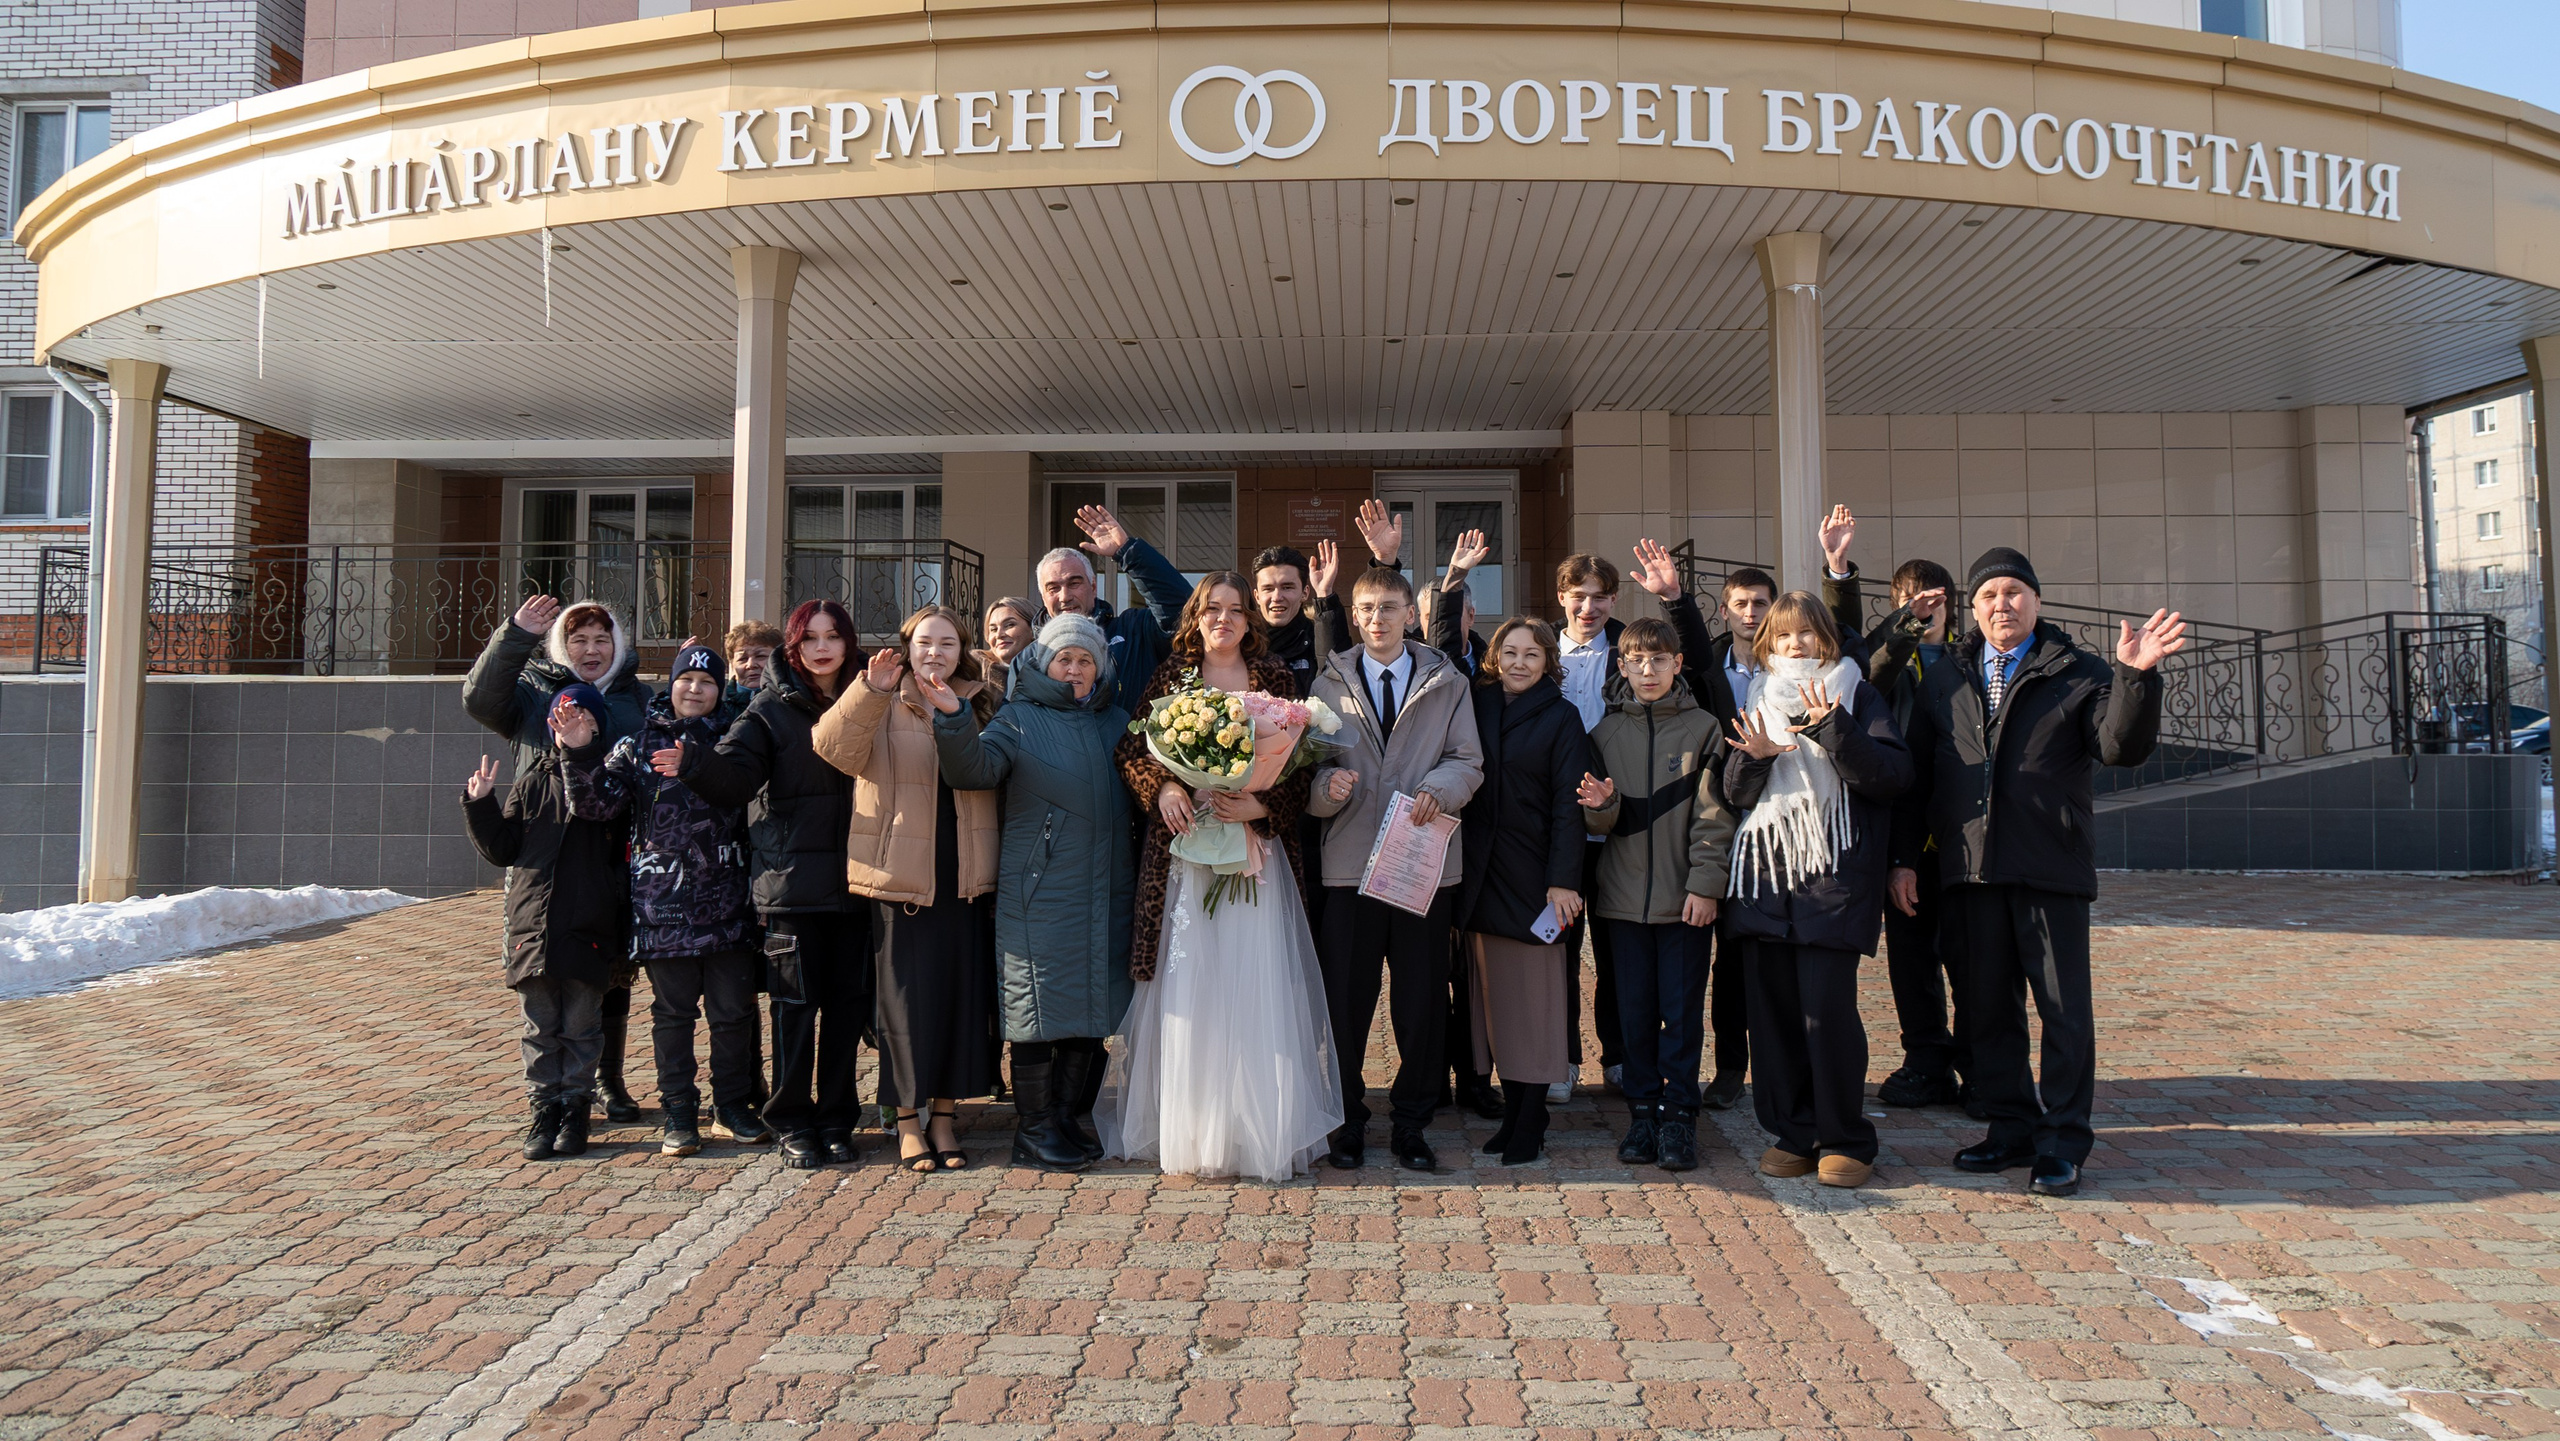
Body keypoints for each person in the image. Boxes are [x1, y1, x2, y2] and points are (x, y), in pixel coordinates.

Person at [1896, 548, 2185, 1199]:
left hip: (2049, 869)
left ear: (2036, 601)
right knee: (1987, 1011)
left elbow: (2120, 747)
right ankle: (2011, 1128)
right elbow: (1919, 777)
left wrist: (2135, 678)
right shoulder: (1946, 677)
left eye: (2014, 591)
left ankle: (2061, 1142)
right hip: (1971, 872)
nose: (2002, 604)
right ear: (1972, 608)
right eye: (1988, 595)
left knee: (2063, 1015)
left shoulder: (2079, 671)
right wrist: (1903, 858)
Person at [1466, 542, 1717, 1107]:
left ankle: (1620, 1056)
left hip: (1618, 828)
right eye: (1578, 596)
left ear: (1614, 601)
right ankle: (1562, 1059)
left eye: (1600, 598)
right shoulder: (1535, 649)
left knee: (1615, 954)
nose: (1589, 607)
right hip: (1553, 831)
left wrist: (1675, 600)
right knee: (1556, 947)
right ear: (1561, 597)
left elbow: (1696, 663)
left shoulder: (1631, 649)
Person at [1103, 575, 1333, 1180]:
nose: (1223, 619)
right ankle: (1196, 1128)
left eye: (1235, 609)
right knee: (1195, 983)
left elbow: (1301, 766)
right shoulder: (1172, 675)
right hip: (1187, 858)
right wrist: (1165, 788)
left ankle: (1258, 1129)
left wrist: (1262, 805)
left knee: (1254, 978)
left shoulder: (1275, 678)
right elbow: (1133, 750)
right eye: (1212, 609)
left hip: (1256, 856)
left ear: (1250, 618)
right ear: (1196, 616)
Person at [1720, 594, 1912, 1189]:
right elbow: (1735, 794)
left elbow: (1892, 776)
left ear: (1827, 638)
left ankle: (1845, 1138)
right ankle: (1793, 1133)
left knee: (1826, 1015)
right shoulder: (1757, 695)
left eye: (1807, 633)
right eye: (1783, 635)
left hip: (1833, 873)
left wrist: (1834, 728)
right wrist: (1754, 760)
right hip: (1764, 876)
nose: (1795, 644)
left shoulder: (1857, 692)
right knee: (1774, 1017)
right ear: (1768, 644)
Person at [665, 599, 864, 1169]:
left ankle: (837, 1119)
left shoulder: (870, 697)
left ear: (848, 643)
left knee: (847, 1011)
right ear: (794, 647)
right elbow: (733, 779)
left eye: (832, 636)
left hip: (860, 885)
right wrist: (695, 763)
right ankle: (792, 1120)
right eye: (810, 638)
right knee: (794, 1010)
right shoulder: (768, 710)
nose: (822, 648)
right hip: (791, 890)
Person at [932, 613, 1133, 1171]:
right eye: (1064, 658)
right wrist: (953, 719)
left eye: (1086, 660)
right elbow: (972, 771)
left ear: (1100, 668)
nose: (1075, 669)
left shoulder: (1118, 721)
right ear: (1044, 664)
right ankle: (1034, 1127)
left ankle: (1064, 1117)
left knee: (1089, 1010)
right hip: (1041, 893)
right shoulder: (1017, 718)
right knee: (1037, 1012)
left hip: (1106, 889)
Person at [808, 607, 1003, 1174]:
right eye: (924, 643)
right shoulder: (882, 696)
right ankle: (907, 1122)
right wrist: (870, 690)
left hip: (965, 872)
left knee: (958, 1002)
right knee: (904, 1007)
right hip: (901, 875)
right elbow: (832, 749)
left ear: (961, 651)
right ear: (907, 648)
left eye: (947, 643)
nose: (935, 652)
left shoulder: (982, 701)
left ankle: (944, 1119)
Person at [1306, 566, 1485, 1173]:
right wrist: (1326, 788)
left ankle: (1412, 1122)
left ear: (1411, 614)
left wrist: (1440, 787)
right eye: (1366, 608)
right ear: (1353, 616)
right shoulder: (1327, 683)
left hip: (1420, 865)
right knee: (1346, 1002)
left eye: (1388, 607)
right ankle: (1348, 1120)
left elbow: (1468, 760)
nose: (1377, 618)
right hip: (1350, 868)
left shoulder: (1446, 680)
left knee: (1422, 1001)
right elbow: (1307, 770)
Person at [562, 645, 763, 1158]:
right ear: (670, 685)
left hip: (729, 900)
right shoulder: (637, 744)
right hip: (662, 905)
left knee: (732, 1014)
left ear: (720, 690)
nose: (695, 689)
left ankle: (731, 1106)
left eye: (707, 682)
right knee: (673, 1015)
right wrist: (580, 753)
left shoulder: (736, 739)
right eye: (685, 679)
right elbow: (595, 806)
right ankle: (679, 1111)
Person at [464, 596, 651, 1124]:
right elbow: (479, 698)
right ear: (561, 647)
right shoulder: (532, 691)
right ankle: (554, 1097)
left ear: (617, 645)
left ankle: (606, 1080)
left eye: (601, 639)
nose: (591, 650)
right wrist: (515, 635)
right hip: (544, 856)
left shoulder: (636, 697)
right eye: (578, 639)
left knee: (609, 970)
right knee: (545, 977)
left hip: (613, 852)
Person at [1427, 572, 1590, 1166]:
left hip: (1534, 880)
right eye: (1511, 652)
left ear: (1549, 662)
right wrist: (1451, 587)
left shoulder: (1562, 718)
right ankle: (1514, 1112)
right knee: (1492, 1005)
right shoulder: (1478, 700)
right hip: (1478, 873)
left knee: (1533, 1006)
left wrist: (1563, 881)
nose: (1520, 663)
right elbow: (1444, 651)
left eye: (1532, 654)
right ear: (1495, 656)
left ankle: (1531, 1119)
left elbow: (1569, 806)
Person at [1574, 619, 1737, 1173]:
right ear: (1621, 666)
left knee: (1682, 1016)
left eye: (1659, 660)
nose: (1649, 671)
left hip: (1685, 903)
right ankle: (1642, 1116)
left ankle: (1680, 1117)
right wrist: (1601, 806)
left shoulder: (1703, 729)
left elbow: (1715, 819)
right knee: (1635, 1015)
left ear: (1677, 664)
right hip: (1621, 904)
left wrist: (1705, 887)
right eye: (1638, 661)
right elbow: (1602, 825)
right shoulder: (1603, 735)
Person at [460, 684, 630, 1162]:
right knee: (539, 1028)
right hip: (533, 927)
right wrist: (481, 804)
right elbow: (504, 849)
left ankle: (575, 1109)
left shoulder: (610, 779)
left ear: (596, 727)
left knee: (580, 1026)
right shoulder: (533, 780)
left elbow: (609, 825)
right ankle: (544, 1110)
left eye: (581, 719)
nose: (569, 726)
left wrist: (582, 755)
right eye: (561, 719)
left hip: (588, 927)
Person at [1830, 549, 1966, 1113]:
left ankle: (1980, 1066)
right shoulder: (1888, 664)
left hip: (1963, 833)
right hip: (1903, 833)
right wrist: (1840, 574)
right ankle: (1926, 1061)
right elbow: (1862, 658)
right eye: (1910, 601)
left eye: (1934, 600)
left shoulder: (1969, 659)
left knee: (1970, 956)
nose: (1924, 608)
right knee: (1911, 957)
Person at [1037, 504, 1193, 716]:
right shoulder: (1029, 654)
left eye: (1074, 583)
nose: (1065, 596)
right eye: (1053, 588)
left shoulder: (1135, 631)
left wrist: (1128, 552)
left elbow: (1183, 611)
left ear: (1093, 587)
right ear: (1043, 597)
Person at [980, 596, 1043, 697]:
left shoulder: (1051, 672)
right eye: (993, 629)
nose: (999, 635)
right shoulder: (974, 672)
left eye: (1009, 625)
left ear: (1033, 629)